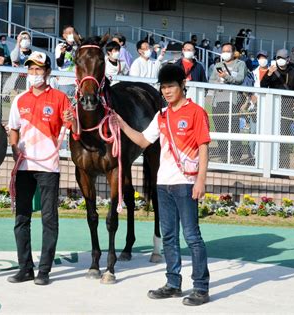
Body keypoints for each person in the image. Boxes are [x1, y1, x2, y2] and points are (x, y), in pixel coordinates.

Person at [113, 64, 211, 306]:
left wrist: (201, 180)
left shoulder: (197, 113)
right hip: (163, 182)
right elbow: (144, 140)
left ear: (182, 86)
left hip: (186, 183)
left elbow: (203, 147)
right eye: (164, 87)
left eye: (171, 86)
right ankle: (173, 283)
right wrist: (122, 124)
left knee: (192, 236)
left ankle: (201, 287)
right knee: (168, 236)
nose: (166, 91)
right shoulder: (162, 115)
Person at [7, 51, 77, 286]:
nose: (34, 74)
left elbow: (73, 128)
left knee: (49, 218)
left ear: (47, 72)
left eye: (38, 69)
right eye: (31, 69)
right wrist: (14, 147)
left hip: (48, 166)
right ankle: (25, 268)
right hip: (24, 165)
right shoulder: (20, 100)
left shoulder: (59, 98)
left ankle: (44, 270)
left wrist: (73, 119)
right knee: (21, 218)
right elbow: (13, 129)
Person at [260, 48, 294, 168]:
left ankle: (283, 165)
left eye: (283, 58)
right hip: (273, 107)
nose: (280, 60)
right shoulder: (271, 70)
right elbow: (263, 86)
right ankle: (269, 164)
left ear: (288, 59)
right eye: (278, 58)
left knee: (284, 137)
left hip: (288, 108)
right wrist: (268, 74)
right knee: (271, 134)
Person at [209, 42, 247, 164]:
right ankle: (223, 157)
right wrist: (219, 83)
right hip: (218, 102)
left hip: (233, 102)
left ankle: (236, 157)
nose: (225, 53)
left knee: (234, 130)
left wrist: (226, 77)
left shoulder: (240, 64)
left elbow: (240, 79)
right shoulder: (217, 65)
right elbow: (211, 81)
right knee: (221, 130)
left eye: (228, 51)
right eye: (223, 51)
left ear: (233, 52)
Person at [55, 25, 80, 99]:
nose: (71, 34)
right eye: (69, 33)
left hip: (77, 83)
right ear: (64, 35)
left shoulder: (78, 47)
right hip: (65, 83)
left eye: (73, 32)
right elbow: (59, 64)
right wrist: (63, 53)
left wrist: (80, 42)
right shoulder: (60, 46)